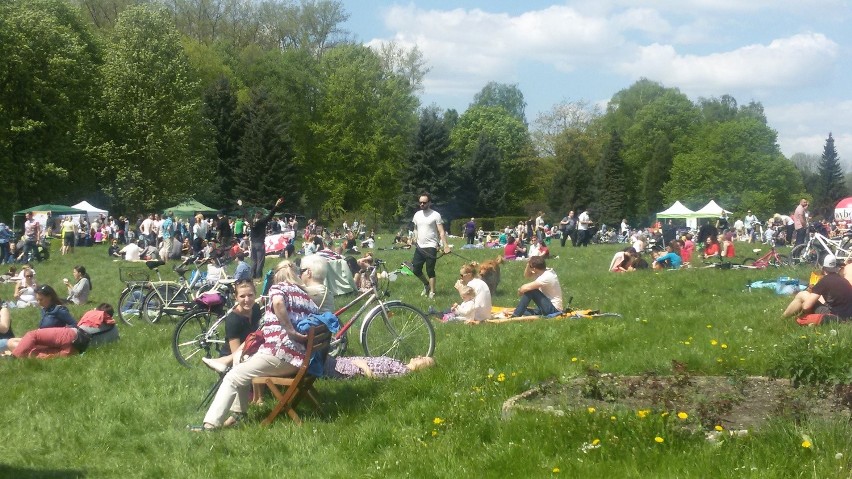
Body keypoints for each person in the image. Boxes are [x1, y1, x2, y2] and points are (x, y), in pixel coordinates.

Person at [191, 260, 317, 431]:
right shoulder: (305, 295)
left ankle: (210, 425)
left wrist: (290, 330)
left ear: (277, 276)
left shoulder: (278, 288)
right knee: (240, 364)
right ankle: (238, 413)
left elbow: (278, 303)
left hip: (283, 356)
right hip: (302, 359)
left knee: (232, 376)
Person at [783, 255, 852, 319]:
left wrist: (804, 306)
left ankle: (784, 317)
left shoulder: (824, 281)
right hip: (848, 315)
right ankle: (795, 316)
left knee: (802, 294)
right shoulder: (844, 280)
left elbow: (806, 307)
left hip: (834, 316)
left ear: (823, 268)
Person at [410, 192, 451, 299]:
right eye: (420, 202)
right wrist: (413, 238)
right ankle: (426, 285)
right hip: (419, 246)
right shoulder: (417, 215)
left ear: (429, 203)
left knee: (430, 270)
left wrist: (445, 245)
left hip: (431, 246)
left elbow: (441, 231)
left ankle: (432, 292)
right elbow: (415, 228)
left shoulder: (435, 215)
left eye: (424, 202)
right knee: (415, 269)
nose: (422, 204)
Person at [246, 198, 284, 279]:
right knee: (260, 261)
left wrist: (241, 205)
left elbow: (246, 214)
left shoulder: (251, 222)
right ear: (261, 216)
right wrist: (276, 205)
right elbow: (271, 214)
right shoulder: (262, 222)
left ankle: (252, 275)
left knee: (254, 260)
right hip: (260, 243)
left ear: (255, 216)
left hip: (253, 243)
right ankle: (259, 275)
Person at [324, 355, 435, 379]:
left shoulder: (403, 373)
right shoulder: (401, 365)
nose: (419, 356)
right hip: (343, 362)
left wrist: (362, 365)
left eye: (423, 359)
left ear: (423, 368)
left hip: (343, 369)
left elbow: (374, 378)